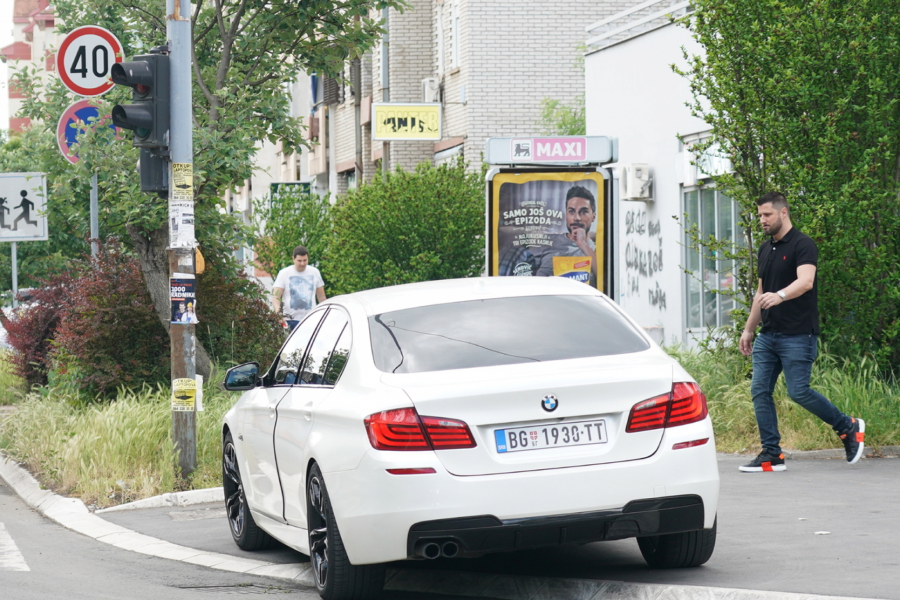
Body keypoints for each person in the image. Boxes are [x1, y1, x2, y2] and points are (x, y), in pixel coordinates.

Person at [738, 191, 864, 472]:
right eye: (759, 215)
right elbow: (760, 293)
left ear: (783, 212)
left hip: (797, 334)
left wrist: (780, 295)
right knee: (759, 390)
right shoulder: (765, 248)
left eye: (767, 214)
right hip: (768, 335)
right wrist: (748, 330)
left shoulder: (803, 244)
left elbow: (806, 281)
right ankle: (771, 454)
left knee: (798, 392)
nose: (762, 220)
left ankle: (847, 426)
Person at [535, 186, 598, 285]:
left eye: (583, 212)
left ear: (593, 217)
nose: (576, 218)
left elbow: (606, 277)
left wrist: (582, 244)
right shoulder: (548, 242)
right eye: (571, 211)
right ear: (566, 215)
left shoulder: (597, 250)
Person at [272, 245, 326, 331]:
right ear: (293, 259)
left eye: (305, 260)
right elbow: (276, 297)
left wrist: (324, 315)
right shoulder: (284, 273)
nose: (302, 263)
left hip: (311, 319)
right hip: (290, 320)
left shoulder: (315, 272)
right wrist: (279, 314)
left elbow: (322, 298)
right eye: (299, 261)